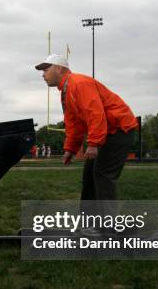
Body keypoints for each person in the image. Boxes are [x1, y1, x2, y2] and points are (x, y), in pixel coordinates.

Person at [35, 54, 138, 234]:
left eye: (46, 69)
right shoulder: (66, 91)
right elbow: (73, 124)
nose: (43, 74)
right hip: (106, 131)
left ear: (59, 69)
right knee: (89, 174)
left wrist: (93, 143)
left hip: (119, 129)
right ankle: (88, 224)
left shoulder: (78, 83)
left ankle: (109, 226)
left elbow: (95, 113)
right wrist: (70, 149)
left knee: (102, 174)